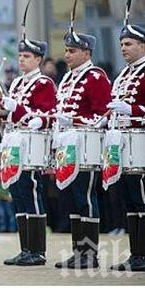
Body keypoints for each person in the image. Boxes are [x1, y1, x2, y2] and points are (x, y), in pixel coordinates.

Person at [53, 24, 111, 269]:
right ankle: (79, 251)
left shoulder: (95, 76)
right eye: (66, 50)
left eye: (72, 51)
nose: (67, 55)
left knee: (86, 198)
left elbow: (104, 113)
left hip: (86, 145)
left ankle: (90, 253)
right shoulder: (67, 78)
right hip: (68, 146)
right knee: (73, 200)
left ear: (86, 53)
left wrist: (75, 121)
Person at [0, 33, 56, 266]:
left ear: (38, 59)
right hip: (14, 142)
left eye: (27, 56)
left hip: (31, 145)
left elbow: (46, 115)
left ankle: (37, 250)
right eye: (21, 56)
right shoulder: (17, 83)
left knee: (31, 192)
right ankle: (26, 249)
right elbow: (12, 115)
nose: (21, 60)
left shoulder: (43, 83)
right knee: (19, 194)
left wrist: (19, 110)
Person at [106, 4, 145, 272]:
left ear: (142, 45)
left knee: (142, 200)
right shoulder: (122, 75)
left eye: (128, 43)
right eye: (121, 43)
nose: (123, 48)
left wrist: (130, 110)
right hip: (123, 145)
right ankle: (136, 254)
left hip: (141, 143)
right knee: (130, 202)